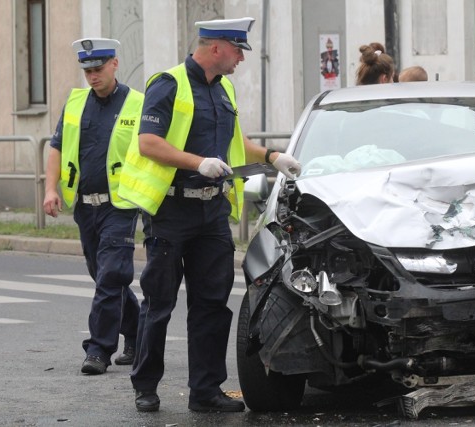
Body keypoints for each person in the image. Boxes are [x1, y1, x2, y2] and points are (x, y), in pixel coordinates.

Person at [118, 17, 301, 413]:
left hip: (212, 212)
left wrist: (272, 156)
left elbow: (237, 141)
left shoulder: (225, 88)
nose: (241, 59)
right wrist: (197, 162)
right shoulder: (167, 84)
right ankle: (145, 385)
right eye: (238, 50)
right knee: (160, 302)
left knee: (212, 305)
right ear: (216, 47)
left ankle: (205, 392)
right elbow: (148, 142)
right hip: (171, 210)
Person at [42, 38, 143, 375]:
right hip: (86, 206)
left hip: (121, 204)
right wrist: (50, 189)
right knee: (104, 277)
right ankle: (139, 329)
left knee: (112, 274)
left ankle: (98, 349)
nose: (92, 76)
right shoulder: (75, 103)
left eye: (98, 69)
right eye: (87, 71)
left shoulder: (138, 105)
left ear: (115, 63)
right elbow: (57, 148)